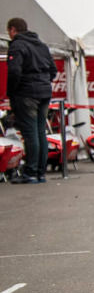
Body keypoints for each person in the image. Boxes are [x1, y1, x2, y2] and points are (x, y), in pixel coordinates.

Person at [5, 17, 58, 183]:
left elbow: (14, 72)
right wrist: (42, 82)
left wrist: (11, 92)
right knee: (40, 131)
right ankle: (40, 172)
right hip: (44, 93)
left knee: (30, 133)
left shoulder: (17, 45)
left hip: (26, 94)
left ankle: (30, 172)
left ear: (13, 30)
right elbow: (53, 70)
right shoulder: (41, 45)